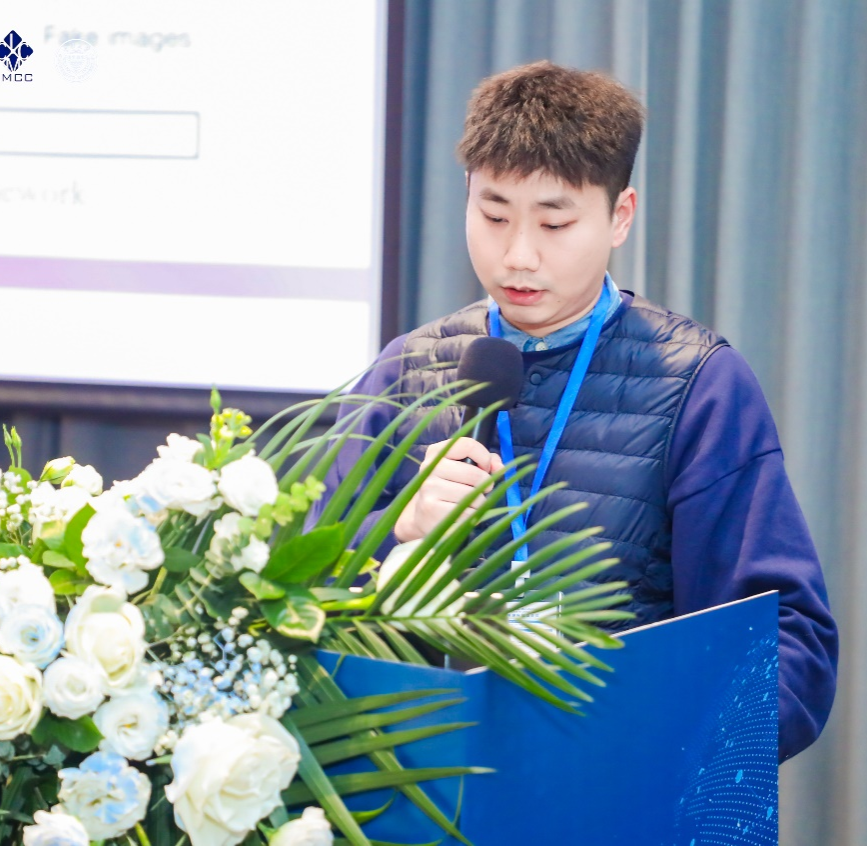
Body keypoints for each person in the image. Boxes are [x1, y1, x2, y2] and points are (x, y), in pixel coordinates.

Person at [318, 61, 837, 761]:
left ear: (620, 216)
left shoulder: (699, 385)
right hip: (426, 786)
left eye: (554, 222)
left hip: (619, 782)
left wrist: (645, 741)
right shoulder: (408, 371)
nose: (518, 255)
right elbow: (299, 599)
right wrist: (398, 530)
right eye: (494, 215)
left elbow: (790, 646)